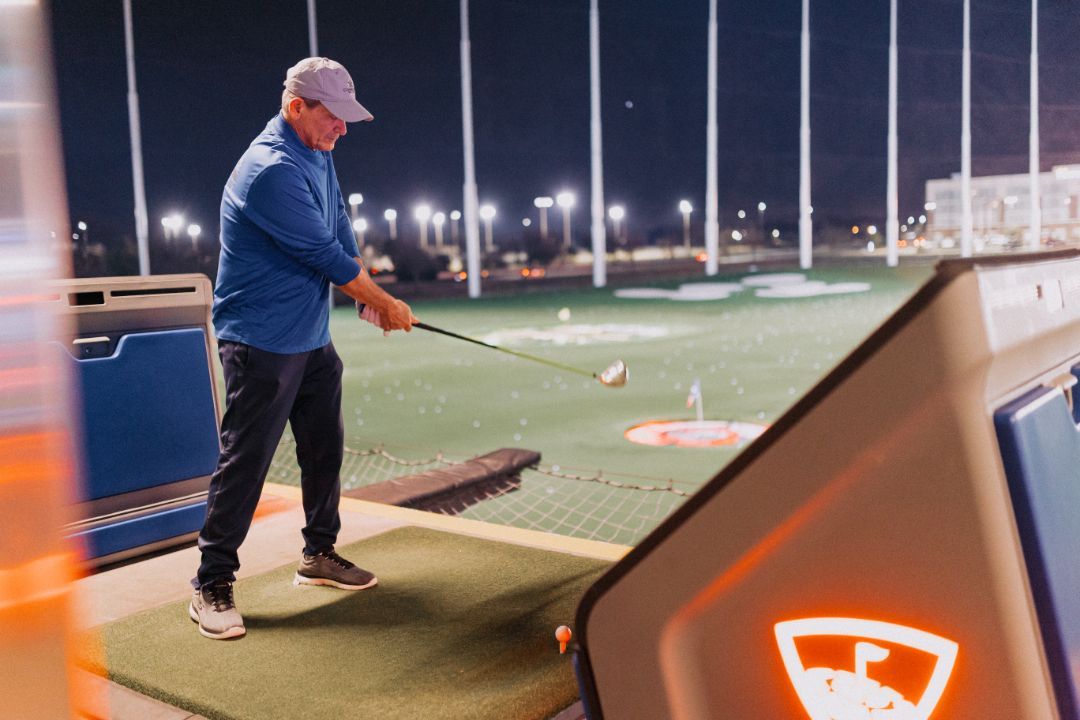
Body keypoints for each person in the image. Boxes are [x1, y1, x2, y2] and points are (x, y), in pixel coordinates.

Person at [189, 57, 416, 640]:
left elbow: (339, 228)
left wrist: (363, 296)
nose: (343, 128)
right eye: (333, 116)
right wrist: (385, 302)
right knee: (246, 463)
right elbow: (323, 255)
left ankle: (319, 554)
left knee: (323, 450)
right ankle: (211, 583)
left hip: (310, 338)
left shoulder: (317, 152)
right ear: (296, 107)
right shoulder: (270, 169)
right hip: (260, 340)